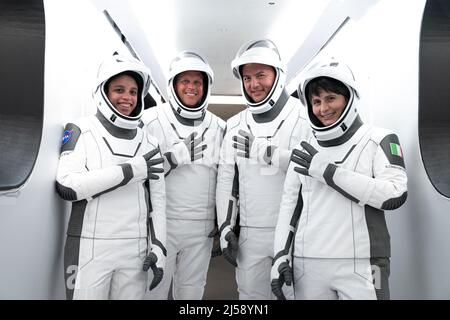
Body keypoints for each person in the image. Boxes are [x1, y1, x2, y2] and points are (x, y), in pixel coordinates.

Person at [271, 57, 408, 300]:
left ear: (349, 98)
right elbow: (289, 206)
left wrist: (328, 172)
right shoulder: (304, 149)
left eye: (330, 98)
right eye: (316, 101)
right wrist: (281, 254)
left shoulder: (380, 138)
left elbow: (394, 194)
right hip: (308, 263)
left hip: (363, 263)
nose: (323, 109)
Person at [55, 53, 166, 300]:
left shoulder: (150, 141)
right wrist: (131, 170)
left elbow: (158, 202)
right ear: (103, 92)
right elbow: (67, 186)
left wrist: (159, 245)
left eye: (133, 92)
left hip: (136, 249)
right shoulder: (80, 129)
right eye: (119, 89)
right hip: (89, 247)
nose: (127, 97)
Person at [216, 39, 310, 299]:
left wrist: (263, 152)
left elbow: (312, 168)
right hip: (250, 233)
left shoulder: (303, 117)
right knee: (250, 296)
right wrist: (225, 226)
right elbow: (226, 180)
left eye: (261, 75)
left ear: (278, 75)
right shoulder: (234, 124)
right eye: (247, 78)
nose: (254, 84)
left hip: (296, 232)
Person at [143, 51, 225, 300]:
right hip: (159, 225)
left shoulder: (220, 127)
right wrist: (172, 158)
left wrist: (223, 220)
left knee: (192, 293)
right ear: (173, 85)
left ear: (206, 86)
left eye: (197, 82)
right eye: (185, 81)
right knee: (152, 291)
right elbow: (138, 175)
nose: (191, 87)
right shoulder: (149, 120)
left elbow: (227, 179)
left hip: (201, 229)